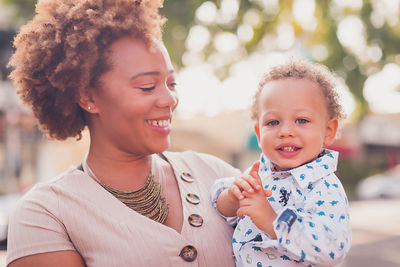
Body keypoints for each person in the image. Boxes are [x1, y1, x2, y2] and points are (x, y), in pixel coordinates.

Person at [6, 0, 242, 266]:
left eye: (171, 83)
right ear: (88, 97)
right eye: (146, 86)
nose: (169, 99)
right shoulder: (47, 214)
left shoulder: (216, 176)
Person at [211, 59, 352, 267]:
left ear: (328, 131)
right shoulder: (259, 173)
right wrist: (231, 199)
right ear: (259, 134)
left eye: (301, 120)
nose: (286, 131)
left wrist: (273, 220)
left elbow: (332, 250)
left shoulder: (324, 188)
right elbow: (220, 205)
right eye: (273, 122)